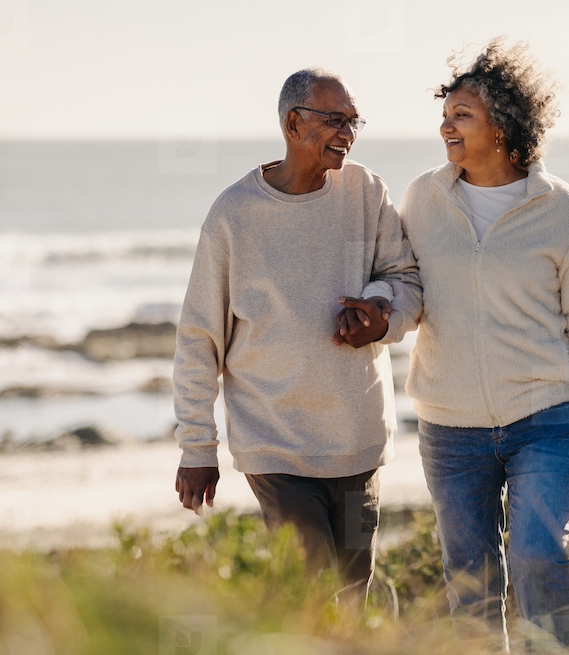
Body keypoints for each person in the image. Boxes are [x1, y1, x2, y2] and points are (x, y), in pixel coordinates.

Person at [354, 39, 569, 651]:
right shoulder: (425, 197)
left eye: (461, 116)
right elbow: (406, 284)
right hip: (450, 429)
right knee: (470, 578)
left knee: (535, 552)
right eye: (445, 115)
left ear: (502, 126)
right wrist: (379, 310)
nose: (445, 126)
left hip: (545, 420)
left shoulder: (563, 212)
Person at [173, 68, 421, 597]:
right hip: (276, 445)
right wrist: (198, 448)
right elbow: (199, 338)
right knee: (314, 583)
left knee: (355, 586)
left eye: (354, 122)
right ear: (292, 123)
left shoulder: (366, 192)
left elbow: (407, 282)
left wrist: (381, 316)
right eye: (335, 121)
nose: (348, 134)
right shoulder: (234, 215)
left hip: (358, 443)